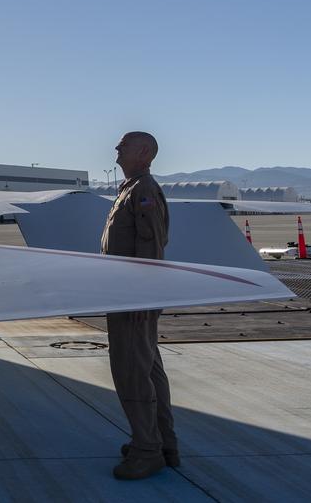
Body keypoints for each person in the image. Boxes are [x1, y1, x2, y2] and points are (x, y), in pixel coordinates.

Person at [100, 131, 177, 481]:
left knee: (132, 372)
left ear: (143, 152)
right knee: (148, 370)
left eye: (124, 144)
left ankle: (148, 451)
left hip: (133, 299)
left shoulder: (143, 190)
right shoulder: (131, 189)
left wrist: (141, 300)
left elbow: (150, 249)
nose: (117, 148)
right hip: (129, 295)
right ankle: (162, 444)